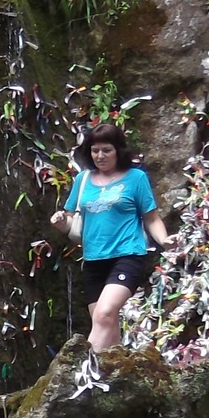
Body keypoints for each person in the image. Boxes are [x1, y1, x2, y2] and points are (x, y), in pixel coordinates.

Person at [48, 120, 172, 351]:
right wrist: (61, 221)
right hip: (94, 260)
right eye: (95, 150)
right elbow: (71, 217)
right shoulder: (83, 180)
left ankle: (82, 367)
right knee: (107, 323)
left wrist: (164, 241)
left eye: (106, 150)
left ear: (118, 151)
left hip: (127, 255)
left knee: (104, 314)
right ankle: (112, 370)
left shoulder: (135, 178)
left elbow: (152, 218)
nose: (100, 156)